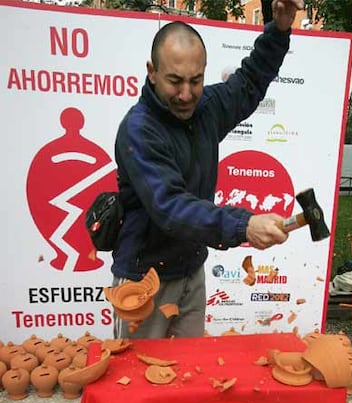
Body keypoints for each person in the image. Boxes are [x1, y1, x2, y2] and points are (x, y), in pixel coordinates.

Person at [111, 0, 304, 339]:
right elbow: (170, 207)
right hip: (144, 280)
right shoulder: (139, 130)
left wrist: (280, 30)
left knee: (191, 377)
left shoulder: (206, 107)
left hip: (190, 271)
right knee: (139, 382)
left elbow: (249, 83)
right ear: (151, 72)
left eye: (195, 80)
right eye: (174, 81)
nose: (186, 94)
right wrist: (244, 225)